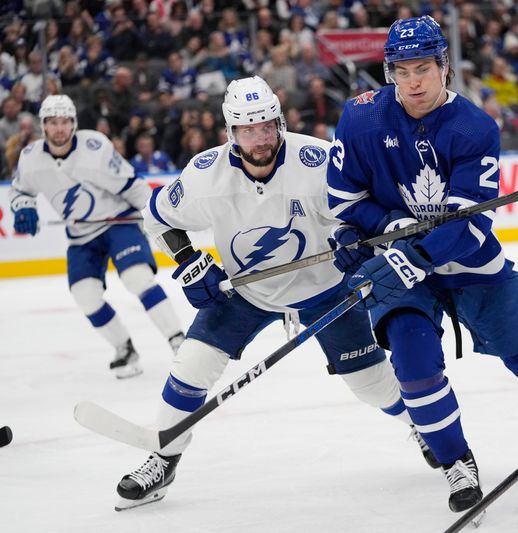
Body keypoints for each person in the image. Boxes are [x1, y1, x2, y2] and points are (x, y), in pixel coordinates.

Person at [327, 16, 518, 515]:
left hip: (469, 263)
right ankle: (455, 460)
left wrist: (422, 255)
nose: (413, 82)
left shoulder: (474, 127)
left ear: (444, 67)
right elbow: (343, 199)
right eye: (401, 70)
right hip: (395, 261)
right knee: (413, 365)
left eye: (424, 68)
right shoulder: (360, 118)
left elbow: (469, 224)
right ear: (388, 72)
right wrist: (383, 230)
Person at [115, 76, 436, 511]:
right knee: (191, 365)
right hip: (245, 291)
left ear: (280, 121)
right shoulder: (205, 174)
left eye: (267, 125)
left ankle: (422, 423)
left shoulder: (318, 159)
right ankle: (163, 457)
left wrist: (351, 236)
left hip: (325, 288)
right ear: (231, 132)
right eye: (248, 130)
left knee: (371, 385)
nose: (261, 138)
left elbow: (363, 209)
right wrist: (188, 259)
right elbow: (158, 216)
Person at [9, 94, 185, 379]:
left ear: (74, 124)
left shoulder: (95, 147)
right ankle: (124, 348)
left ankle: (179, 341)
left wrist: (156, 212)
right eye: (52, 123)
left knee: (137, 278)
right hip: (80, 235)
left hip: (118, 223)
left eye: (64, 122)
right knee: (85, 295)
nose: (59, 129)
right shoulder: (31, 159)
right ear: (43, 126)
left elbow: (131, 184)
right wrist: (23, 207)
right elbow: (20, 191)